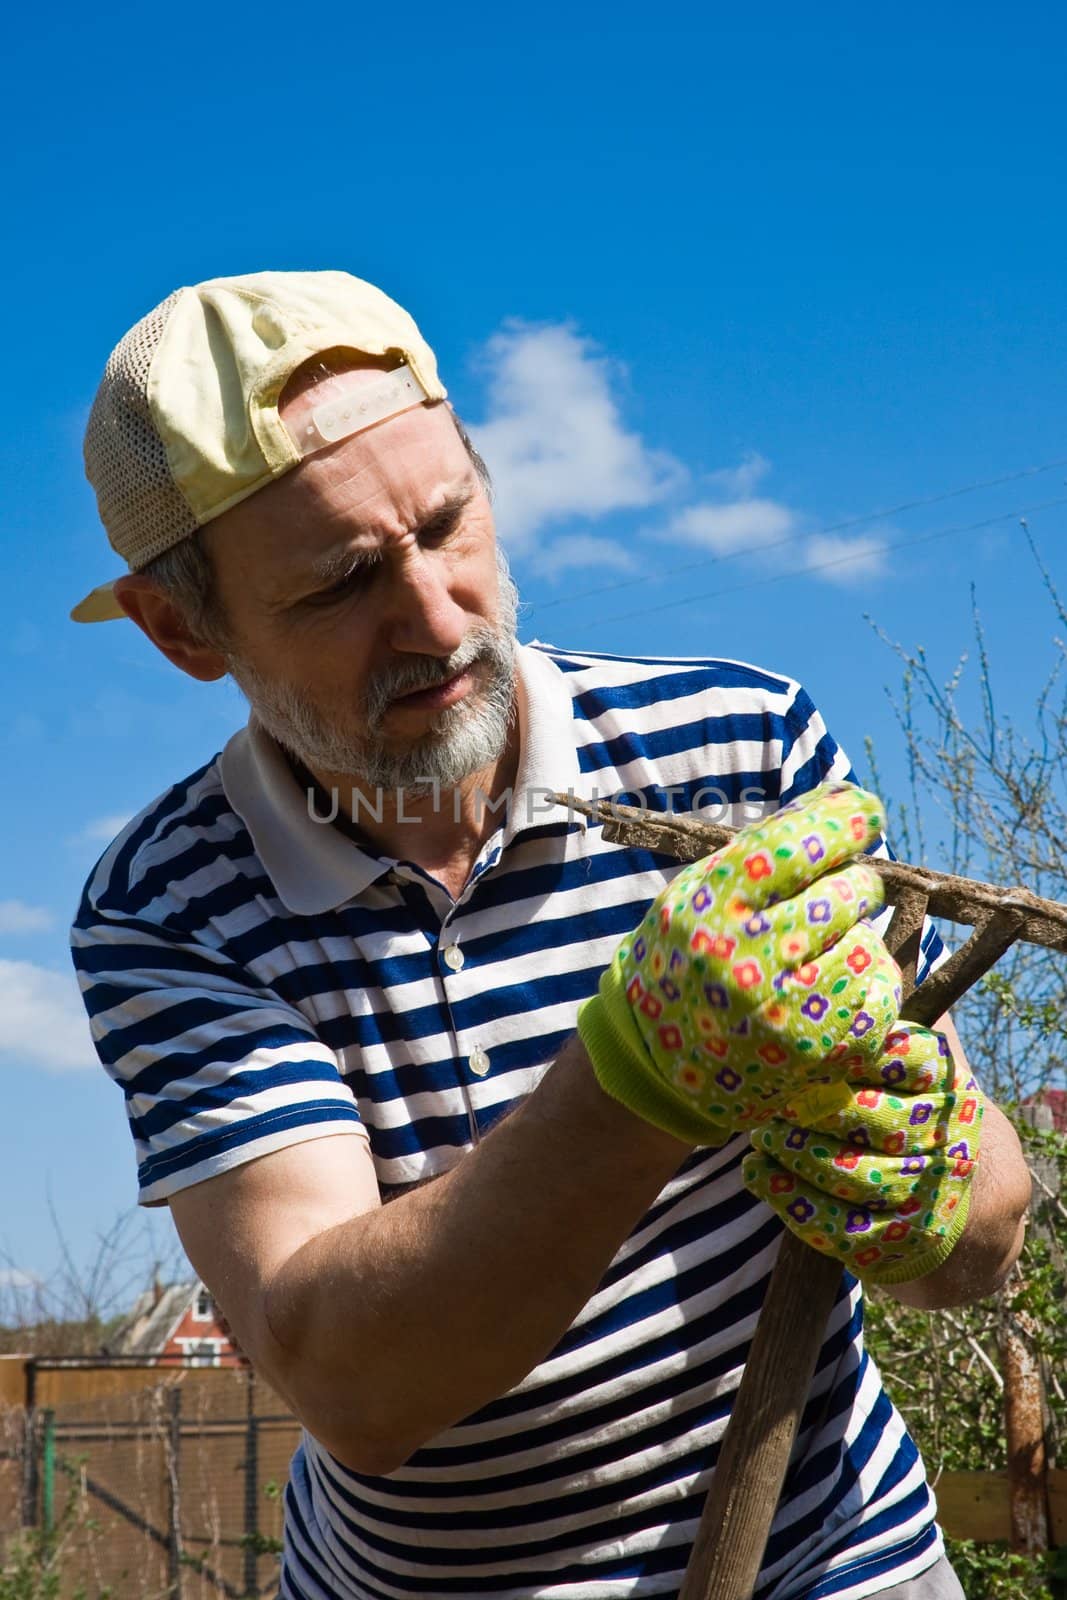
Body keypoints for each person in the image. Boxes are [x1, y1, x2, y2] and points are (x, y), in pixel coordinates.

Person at [70, 270, 1031, 1600]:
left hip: (834, 1561)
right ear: (185, 630)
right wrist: (634, 1075)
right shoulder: (171, 912)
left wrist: (940, 1201)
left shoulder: (740, 752)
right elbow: (356, 1382)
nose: (434, 615)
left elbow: (984, 1226)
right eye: (343, 582)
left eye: (447, 521)